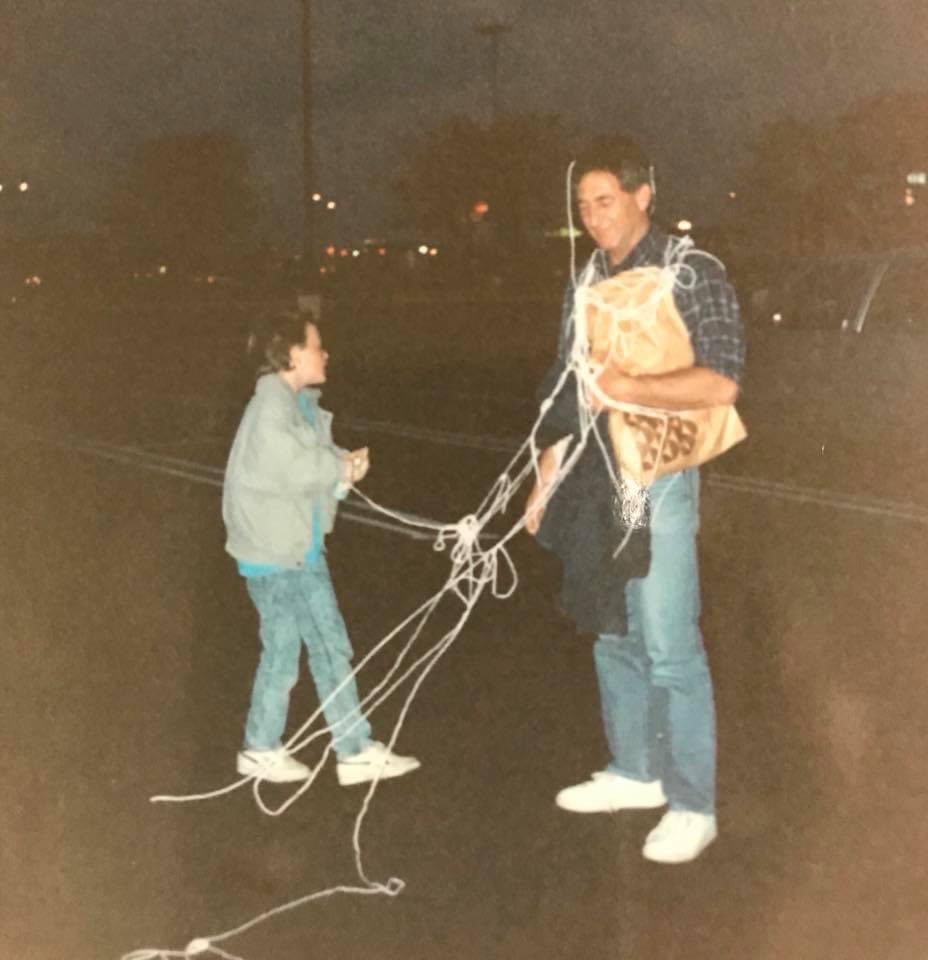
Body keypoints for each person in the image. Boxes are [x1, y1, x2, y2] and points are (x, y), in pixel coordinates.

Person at [526, 137, 745, 863]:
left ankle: (693, 804)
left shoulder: (693, 273)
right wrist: (543, 480)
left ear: (644, 195)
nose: (593, 217)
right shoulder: (583, 280)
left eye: (606, 200)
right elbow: (564, 392)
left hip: (661, 474)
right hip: (604, 480)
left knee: (667, 636)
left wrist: (630, 391)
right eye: (583, 205)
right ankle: (635, 770)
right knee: (612, 620)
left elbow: (720, 382)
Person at [222, 310, 420, 786]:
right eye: (316, 345)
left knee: (288, 650)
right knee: (326, 647)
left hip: (282, 551)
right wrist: (339, 470)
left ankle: (264, 745)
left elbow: (302, 469)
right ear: (292, 355)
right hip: (284, 555)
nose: (325, 352)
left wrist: (339, 471)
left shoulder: (292, 405)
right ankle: (349, 750)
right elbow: (291, 466)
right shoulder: (274, 407)